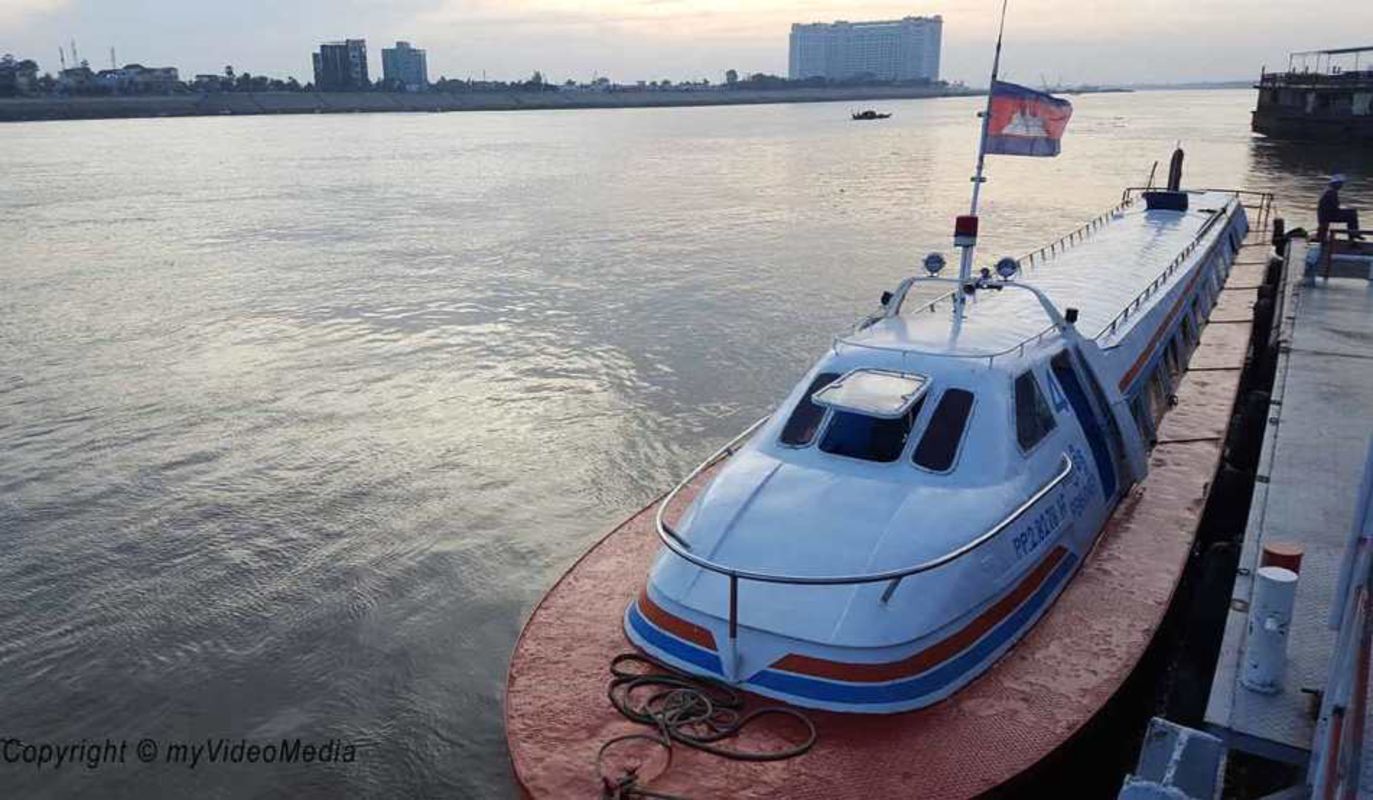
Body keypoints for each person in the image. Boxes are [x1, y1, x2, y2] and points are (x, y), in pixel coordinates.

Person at [1318, 174, 1364, 241]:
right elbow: (1333, 207)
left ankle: (1353, 235)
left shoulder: (1329, 190)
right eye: (1340, 184)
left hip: (1325, 215)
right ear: (1336, 183)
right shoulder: (1331, 192)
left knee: (1351, 212)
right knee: (1352, 214)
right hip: (1327, 216)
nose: (1341, 186)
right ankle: (1353, 235)